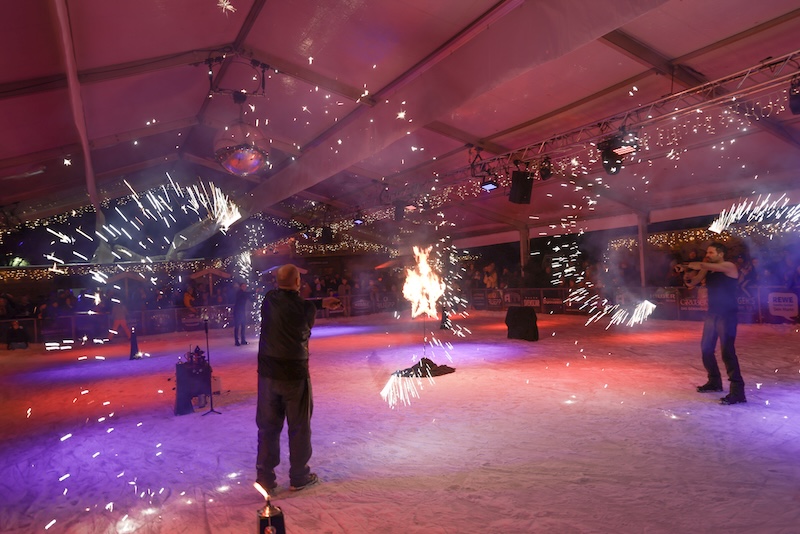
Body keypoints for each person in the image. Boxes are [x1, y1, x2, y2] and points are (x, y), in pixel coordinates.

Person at [256, 264, 319, 492]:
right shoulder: (306, 308)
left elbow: (287, 302)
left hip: (268, 374)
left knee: (268, 428)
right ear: (298, 282)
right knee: (299, 427)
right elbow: (304, 312)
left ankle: (265, 478)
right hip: (294, 375)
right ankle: (299, 476)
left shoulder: (268, 300)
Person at [676, 242, 746, 405]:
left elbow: (702, 265)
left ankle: (738, 392)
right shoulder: (708, 269)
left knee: (727, 352)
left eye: (711, 252)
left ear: (720, 254)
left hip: (727, 315)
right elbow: (692, 283)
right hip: (712, 314)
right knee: (706, 349)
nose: (707, 255)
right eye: (707, 252)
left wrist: (690, 264)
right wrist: (686, 274)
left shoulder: (729, 266)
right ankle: (714, 381)